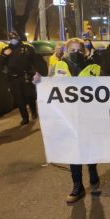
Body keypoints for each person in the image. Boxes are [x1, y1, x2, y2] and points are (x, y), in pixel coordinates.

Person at [35, 38, 101, 203]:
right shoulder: (59, 66)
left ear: (84, 51)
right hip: (68, 116)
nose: (75, 53)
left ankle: (93, 173)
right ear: (66, 51)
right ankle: (77, 186)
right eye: (72, 50)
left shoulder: (93, 66)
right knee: (73, 151)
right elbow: (49, 85)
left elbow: (103, 88)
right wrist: (39, 82)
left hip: (88, 115)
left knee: (89, 148)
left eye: (79, 50)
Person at [0, 32, 38, 125]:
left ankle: (33, 111)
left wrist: (34, 73)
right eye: (11, 38)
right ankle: (24, 117)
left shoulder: (26, 48)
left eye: (15, 37)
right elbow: (0, 63)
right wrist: (4, 56)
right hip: (13, 78)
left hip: (25, 76)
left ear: (18, 37)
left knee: (29, 96)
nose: (13, 39)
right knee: (19, 99)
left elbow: (34, 61)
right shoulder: (6, 49)